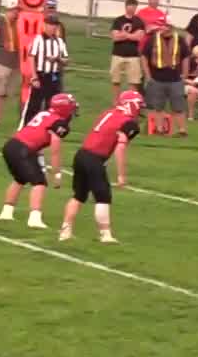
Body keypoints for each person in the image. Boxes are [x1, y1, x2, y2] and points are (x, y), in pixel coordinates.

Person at [60, 91, 143, 244]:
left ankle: (65, 231)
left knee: (79, 195)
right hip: (94, 159)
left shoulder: (109, 112)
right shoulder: (129, 123)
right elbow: (120, 148)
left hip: (81, 154)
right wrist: (121, 175)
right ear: (130, 104)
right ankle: (105, 235)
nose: (140, 108)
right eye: (139, 104)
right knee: (103, 197)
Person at [0, 92, 79, 229]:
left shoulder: (45, 114)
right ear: (64, 108)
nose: (73, 111)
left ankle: (6, 212)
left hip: (12, 145)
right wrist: (57, 173)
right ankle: (34, 218)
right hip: (23, 149)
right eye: (71, 107)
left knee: (20, 179)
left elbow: (37, 139)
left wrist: (40, 162)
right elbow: (55, 149)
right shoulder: (59, 123)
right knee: (39, 182)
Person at [143, 13, 190, 136]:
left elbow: (185, 57)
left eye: (163, 26)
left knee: (178, 106)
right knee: (158, 106)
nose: (160, 28)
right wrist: (148, 75)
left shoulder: (179, 39)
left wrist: (185, 74)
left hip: (175, 78)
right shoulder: (152, 39)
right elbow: (144, 57)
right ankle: (158, 129)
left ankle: (182, 130)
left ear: (169, 27)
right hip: (157, 78)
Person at [25, 3, 70, 119]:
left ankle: (47, 126)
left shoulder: (59, 42)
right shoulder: (38, 39)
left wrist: (57, 59)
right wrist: (34, 77)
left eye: (55, 25)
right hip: (41, 74)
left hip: (54, 76)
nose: (53, 27)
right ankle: (27, 127)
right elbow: (31, 57)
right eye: (51, 25)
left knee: (52, 104)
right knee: (34, 104)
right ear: (45, 25)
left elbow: (66, 60)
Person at [108, 0, 146, 97]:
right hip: (118, 54)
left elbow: (139, 37)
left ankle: (131, 101)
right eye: (130, 5)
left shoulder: (139, 22)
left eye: (134, 6)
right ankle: (116, 102)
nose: (132, 8)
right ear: (126, 6)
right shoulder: (118, 20)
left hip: (133, 55)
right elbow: (115, 37)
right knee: (115, 80)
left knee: (133, 81)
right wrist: (131, 35)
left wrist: (124, 35)